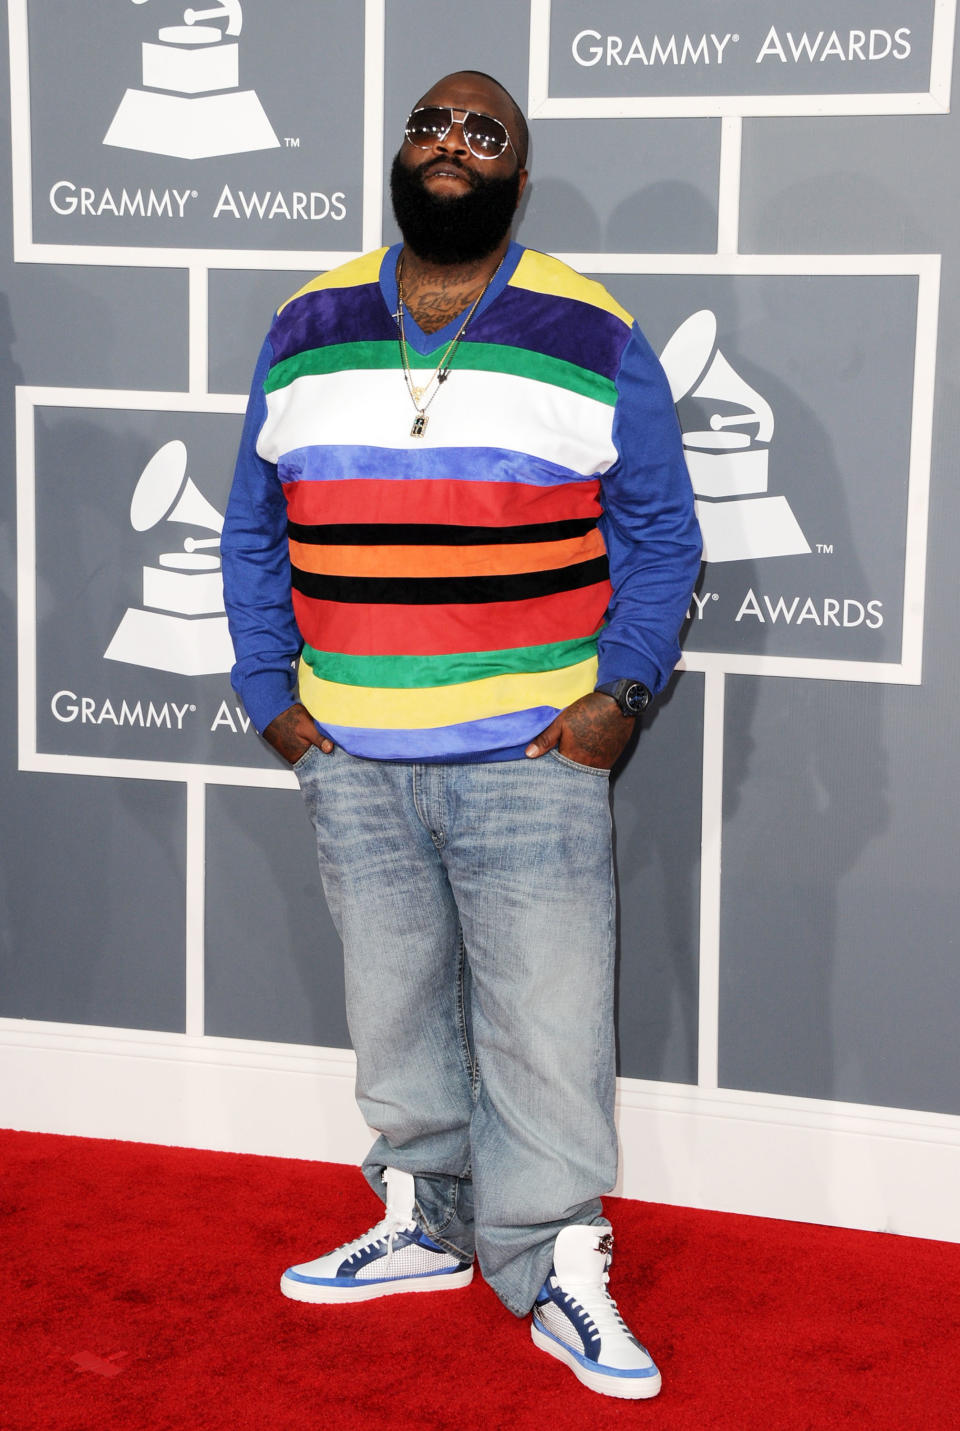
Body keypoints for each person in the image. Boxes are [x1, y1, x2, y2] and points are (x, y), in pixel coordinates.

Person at [221, 70, 701, 1401]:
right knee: (395, 1013)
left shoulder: (593, 327)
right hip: (354, 754)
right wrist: (272, 696)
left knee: (546, 1027)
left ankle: (554, 1257)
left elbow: (663, 535)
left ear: (519, 176)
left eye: (483, 131)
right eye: (430, 124)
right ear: (400, 154)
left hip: (531, 752)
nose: (450, 145)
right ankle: (423, 1218)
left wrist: (620, 698)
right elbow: (255, 520)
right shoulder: (306, 316)